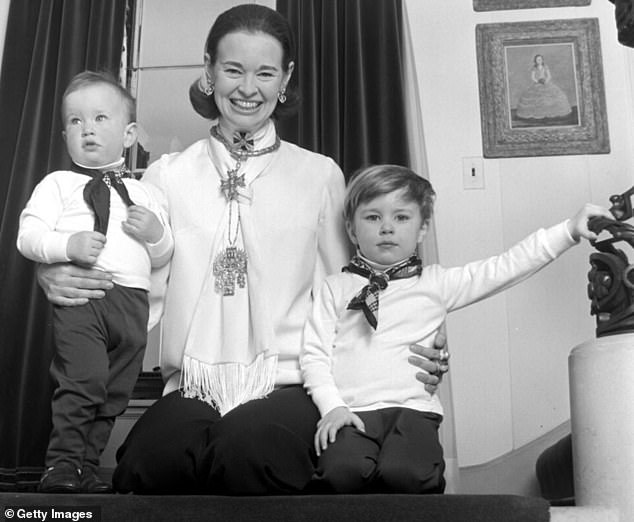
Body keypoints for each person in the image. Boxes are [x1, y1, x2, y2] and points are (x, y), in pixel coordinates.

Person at [36, 4, 447, 495]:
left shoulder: (319, 175)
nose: (248, 88)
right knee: (150, 464)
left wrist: (418, 330)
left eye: (265, 73)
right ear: (209, 71)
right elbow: (126, 267)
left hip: (289, 379)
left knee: (248, 453)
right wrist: (53, 272)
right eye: (233, 70)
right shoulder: (167, 176)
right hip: (193, 383)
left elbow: (358, 284)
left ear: (286, 79)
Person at [300, 164, 612, 494]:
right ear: (351, 229)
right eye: (373, 217)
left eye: (402, 218)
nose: (387, 228)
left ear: (422, 230)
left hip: (413, 412)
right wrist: (332, 406)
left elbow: (504, 267)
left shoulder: (436, 283)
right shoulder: (334, 288)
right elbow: (314, 354)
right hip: (351, 412)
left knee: (406, 474)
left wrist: (568, 230)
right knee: (339, 474)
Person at [17, 71, 174, 494]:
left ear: (129, 135)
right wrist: (67, 244)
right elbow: (27, 237)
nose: (87, 128)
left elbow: (164, 257)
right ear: (65, 134)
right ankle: (61, 466)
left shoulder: (147, 194)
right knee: (82, 381)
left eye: (100, 118)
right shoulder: (58, 185)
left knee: (113, 393)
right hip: (84, 299)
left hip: (132, 307)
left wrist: (156, 235)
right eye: (75, 121)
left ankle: (85, 469)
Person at [516, 54, 572, 121]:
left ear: (542, 60)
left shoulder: (545, 66)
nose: (539, 61)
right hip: (537, 83)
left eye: (540, 59)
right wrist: (537, 81)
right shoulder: (534, 68)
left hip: (546, 82)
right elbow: (532, 77)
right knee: (536, 98)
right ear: (535, 61)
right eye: (537, 60)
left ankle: (549, 112)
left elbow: (549, 76)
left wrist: (546, 81)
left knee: (550, 97)